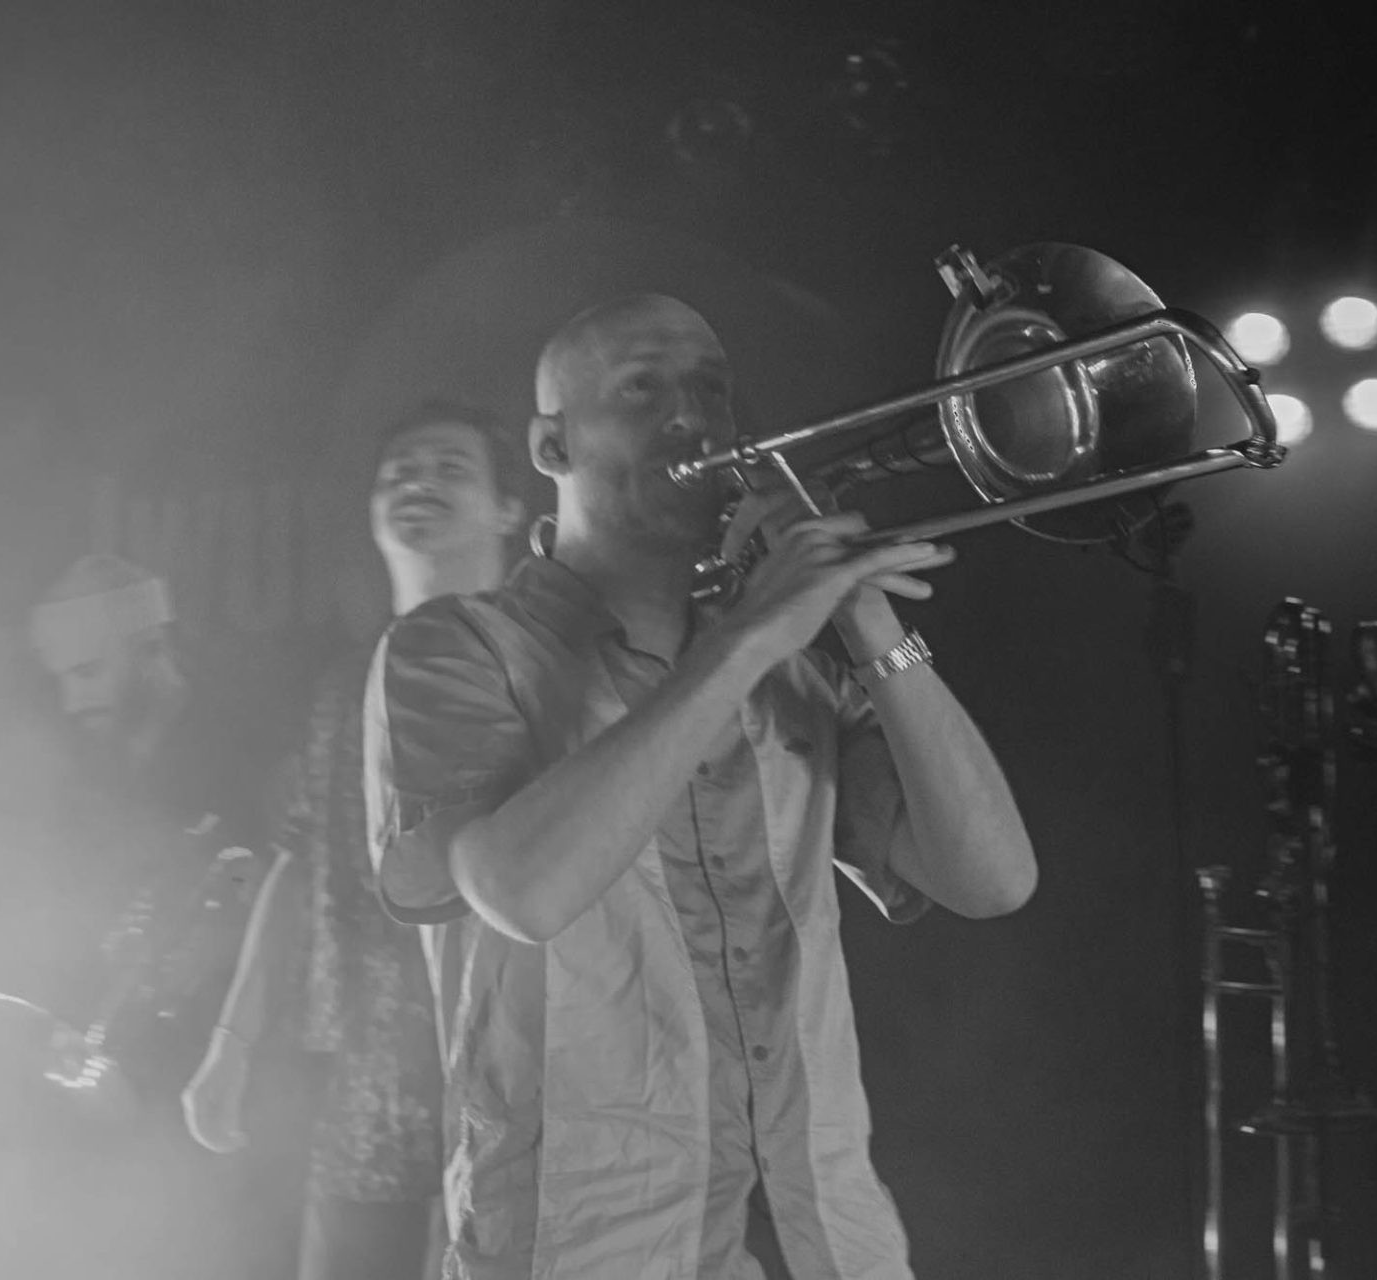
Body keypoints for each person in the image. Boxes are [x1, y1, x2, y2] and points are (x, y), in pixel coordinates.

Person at [365, 294, 1038, 1278]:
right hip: (581, 1250)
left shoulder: (794, 664)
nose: (690, 418)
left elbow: (995, 880)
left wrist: (872, 626)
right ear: (552, 445)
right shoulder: (455, 645)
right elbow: (522, 890)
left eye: (711, 390)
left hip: (830, 1240)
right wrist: (747, 637)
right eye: (641, 389)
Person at [183, 402, 528, 1280]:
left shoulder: (548, 659)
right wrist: (231, 1043)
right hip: (368, 1099)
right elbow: (299, 865)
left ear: (509, 509)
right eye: (398, 473)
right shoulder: (349, 684)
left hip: (528, 1086)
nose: (418, 484)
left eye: (450, 468)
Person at [0, 553, 279, 1279]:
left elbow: (273, 905)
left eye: (88, 673)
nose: (72, 700)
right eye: (62, 679)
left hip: (226, 1094)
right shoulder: (82, 772)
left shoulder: (250, 750)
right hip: (106, 1101)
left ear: (151, 650)